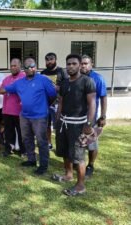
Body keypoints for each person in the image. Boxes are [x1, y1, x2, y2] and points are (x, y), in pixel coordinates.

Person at [0, 58, 57, 175]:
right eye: (27, 67)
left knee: (41, 141)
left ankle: (43, 165)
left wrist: (44, 105)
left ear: (36, 67)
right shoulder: (20, 82)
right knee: (27, 139)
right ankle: (31, 160)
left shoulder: (43, 80)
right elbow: (3, 90)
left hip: (39, 117)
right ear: (24, 69)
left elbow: (53, 95)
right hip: (24, 116)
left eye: (32, 66)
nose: (30, 69)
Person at [53, 54, 96, 196]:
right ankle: (68, 174)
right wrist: (57, 120)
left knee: (78, 156)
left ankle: (80, 185)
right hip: (63, 123)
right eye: (68, 64)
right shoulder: (64, 83)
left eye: (74, 64)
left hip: (79, 125)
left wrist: (89, 125)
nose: (70, 66)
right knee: (65, 151)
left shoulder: (87, 81)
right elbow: (61, 103)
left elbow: (92, 104)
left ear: (79, 65)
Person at [0, 58, 25, 157]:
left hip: (19, 111)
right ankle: (8, 149)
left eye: (15, 65)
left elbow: (2, 90)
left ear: (20, 66)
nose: (13, 67)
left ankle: (23, 151)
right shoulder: (7, 79)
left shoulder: (23, 77)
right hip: (7, 111)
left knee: (21, 133)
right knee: (8, 132)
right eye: (11, 66)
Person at [81, 55, 107, 178]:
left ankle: (90, 165)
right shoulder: (75, 77)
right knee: (79, 143)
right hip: (77, 117)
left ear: (91, 65)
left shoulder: (98, 78)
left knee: (92, 143)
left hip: (91, 117)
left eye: (86, 63)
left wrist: (103, 116)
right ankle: (78, 163)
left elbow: (103, 97)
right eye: (81, 63)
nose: (83, 65)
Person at [41, 52, 68, 150]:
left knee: (58, 125)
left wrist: (58, 88)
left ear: (55, 60)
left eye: (51, 59)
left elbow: (68, 86)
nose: (49, 61)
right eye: (47, 60)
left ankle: (59, 144)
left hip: (58, 104)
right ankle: (49, 143)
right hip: (46, 104)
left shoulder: (62, 71)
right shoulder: (43, 73)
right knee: (47, 125)